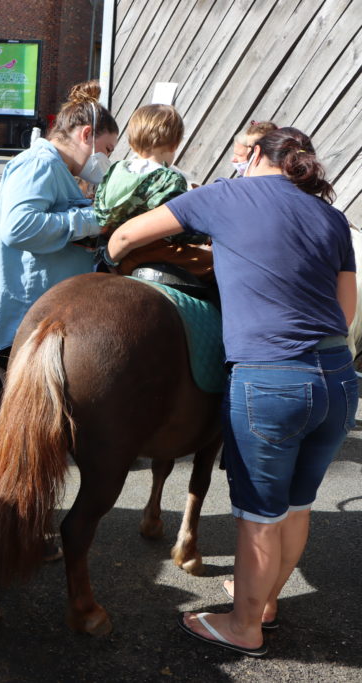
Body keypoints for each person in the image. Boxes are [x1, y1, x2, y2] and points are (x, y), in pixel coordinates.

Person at [108, 127, 356, 658]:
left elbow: (125, 238)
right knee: (296, 505)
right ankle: (263, 603)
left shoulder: (226, 194)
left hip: (270, 378)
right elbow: (346, 310)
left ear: (258, 157)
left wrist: (111, 251)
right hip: (336, 377)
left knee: (258, 513)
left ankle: (244, 627)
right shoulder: (332, 218)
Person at [0, 80, 118, 529]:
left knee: (10, 417)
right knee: (11, 420)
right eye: (106, 148)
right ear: (87, 135)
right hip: (18, 317)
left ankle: (0, 515)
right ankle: (1, 517)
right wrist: (94, 220)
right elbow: (21, 227)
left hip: (22, 313)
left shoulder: (50, 166)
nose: (105, 160)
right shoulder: (41, 163)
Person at [92, 104, 212, 280]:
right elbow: (177, 229)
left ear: (132, 141)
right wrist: (203, 236)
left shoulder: (116, 169)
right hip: (153, 251)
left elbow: (100, 212)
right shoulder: (168, 179)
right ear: (174, 144)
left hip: (111, 248)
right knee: (216, 265)